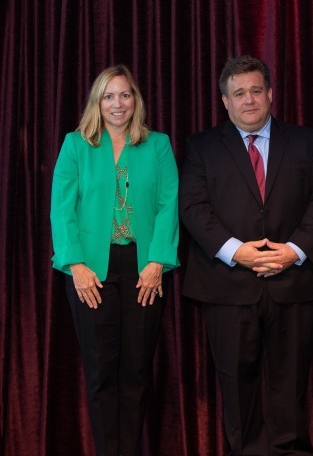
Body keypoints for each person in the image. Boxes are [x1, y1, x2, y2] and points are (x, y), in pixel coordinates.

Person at [180, 55, 313, 455]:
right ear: (224, 101)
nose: (249, 100)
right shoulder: (201, 146)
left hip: (293, 281)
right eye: (239, 93)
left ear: (270, 94)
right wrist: (236, 252)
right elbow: (193, 208)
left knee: (291, 385)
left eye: (256, 91)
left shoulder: (305, 141)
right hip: (227, 285)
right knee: (236, 386)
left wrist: (294, 251)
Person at [50, 64, 180, 456]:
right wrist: (75, 265)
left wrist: (157, 262)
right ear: (97, 102)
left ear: (135, 100)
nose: (117, 103)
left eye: (125, 95)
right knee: (101, 372)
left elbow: (168, 204)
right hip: (90, 272)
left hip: (144, 270)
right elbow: (62, 209)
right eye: (108, 96)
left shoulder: (157, 145)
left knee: (136, 371)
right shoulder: (76, 145)